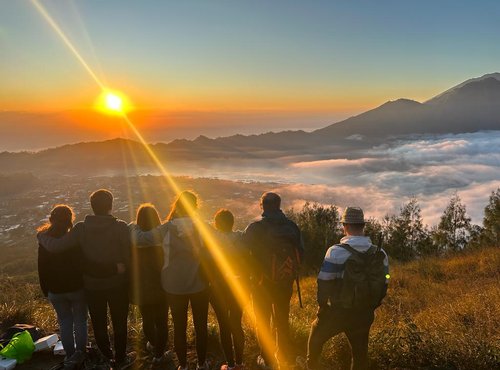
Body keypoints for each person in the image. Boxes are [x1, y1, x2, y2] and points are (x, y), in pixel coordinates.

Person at [37, 189, 136, 370]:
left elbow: (58, 246)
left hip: (93, 286)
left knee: (99, 323)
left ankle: (107, 357)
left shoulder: (81, 228)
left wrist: (41, 236)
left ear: (92, 206)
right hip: (118, 284)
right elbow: (129, 256)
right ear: (110, 206)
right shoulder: (121, 227)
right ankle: (121, 359)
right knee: (119, 321)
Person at [131, 191, 209, 370]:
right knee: (201, 326)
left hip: (173, 285)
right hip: (199, 284)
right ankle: (202, 364)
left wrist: (132, 227)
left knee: (179, 327)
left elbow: (140, 240)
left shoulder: (165, 229)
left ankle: (182, 365)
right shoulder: (202, 228)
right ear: (195, 207)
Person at [306, 207, 389, 370]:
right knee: (360, 355)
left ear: (345, 226)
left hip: (338, 312)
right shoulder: (381, 253)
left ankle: (312, 365)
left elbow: (324, 281)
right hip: (364, 312)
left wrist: (322, 307)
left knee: (315, 338)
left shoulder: (335, 252)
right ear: (362, 226)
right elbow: (385, 281)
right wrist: (373, 305)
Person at [243, 192, 303, 370]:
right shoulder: (292, 227)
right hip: (285, 283)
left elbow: (243, 255)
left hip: (261, 284)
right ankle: (285, 358)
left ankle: (268, 361)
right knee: (282, 320)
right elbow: (302, 253)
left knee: (263, 321)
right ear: (279, 205)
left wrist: (255, 275)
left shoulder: (255, 228)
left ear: (262, 206)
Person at [37, 205, 87, 370]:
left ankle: (70, 355)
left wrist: (46, 290)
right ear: (69, 221)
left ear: (51, 220)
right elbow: (81, 264)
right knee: (80, 320)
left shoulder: (45, 241)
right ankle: (80, 353)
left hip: (55, 290)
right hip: (76, 288)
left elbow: (41, 268)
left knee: (65, 322)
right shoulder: (73, 239)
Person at [129, 204, 170, 368]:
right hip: (162, 285)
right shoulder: (162, 238)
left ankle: (153, 345)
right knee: (162, 322)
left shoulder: (132, 237)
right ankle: (159, 354)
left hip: (142, 286)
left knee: (147, 319)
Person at [208, 209, 247, 370]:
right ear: (232, 223)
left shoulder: (213, 239)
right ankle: (239, 363)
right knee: (236, 324)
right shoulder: (240, 238)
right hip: (239, 285)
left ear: (216, 224)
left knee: (224, 325)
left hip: (218, 287)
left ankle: (230, 365)